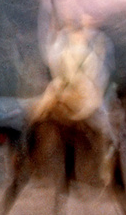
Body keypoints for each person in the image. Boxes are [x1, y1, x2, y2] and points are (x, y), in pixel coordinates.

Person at [36, 15, 116, 181]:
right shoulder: (68, 47)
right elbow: (56, 64)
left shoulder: (89, 48)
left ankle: (104, 166)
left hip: (82, 91)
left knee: (105, 126)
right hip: (71, 89)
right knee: (39, 113)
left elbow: (94, 72)